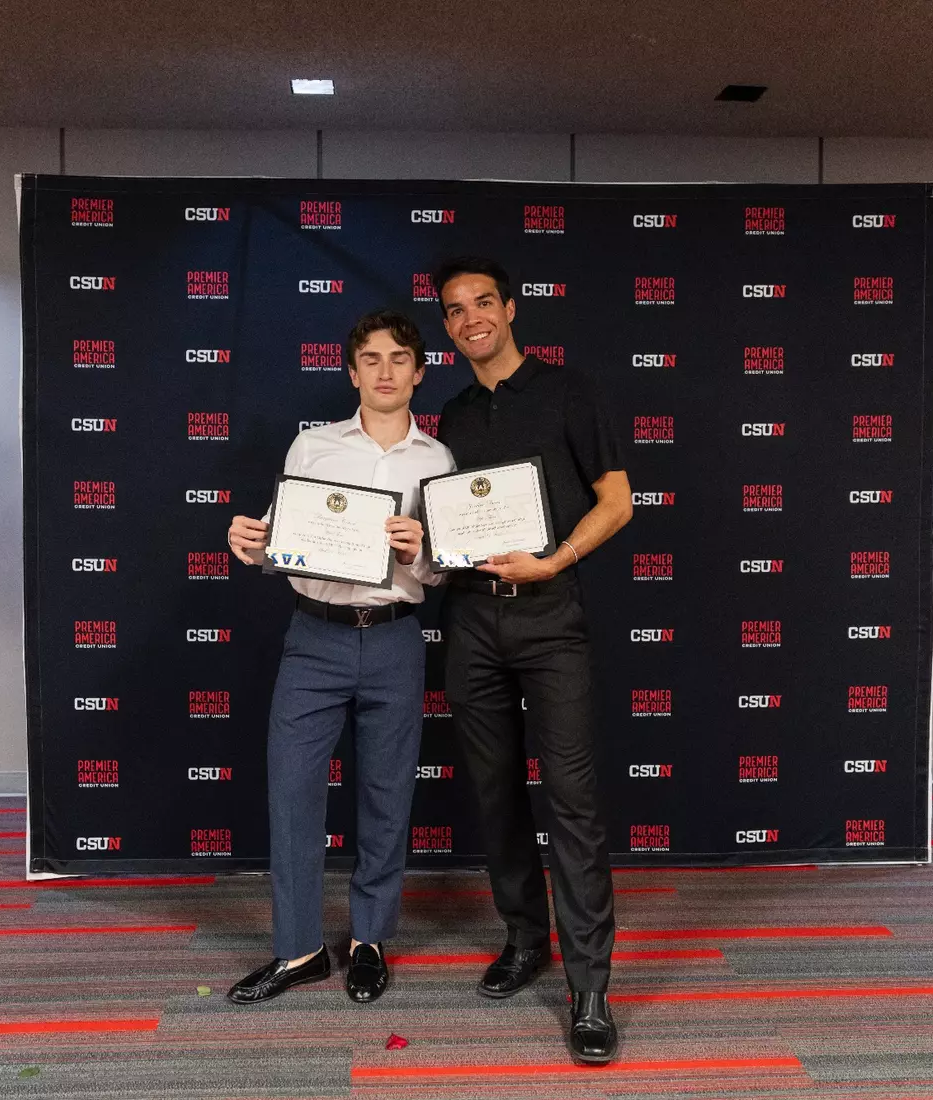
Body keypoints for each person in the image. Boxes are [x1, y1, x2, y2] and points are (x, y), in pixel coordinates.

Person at [432, 256, 633, 1064]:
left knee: (573, 802)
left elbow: (618, 501)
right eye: (455, 310)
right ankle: (525, 939)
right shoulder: (449, 415)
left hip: (550, 616)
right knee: (495, 795)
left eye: (483, 302)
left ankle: (590, 989)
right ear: (447, 327)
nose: (471, 318)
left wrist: (553, 562)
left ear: (511, 308)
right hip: (470, 619)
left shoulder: (569, 390)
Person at [225, 309, 454, 1006]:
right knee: (293, 790)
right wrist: (254, 546)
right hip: (315, 638)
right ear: (352, 372)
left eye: (399, 358)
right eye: (371, 359)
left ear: (419, 372)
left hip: (394, 637)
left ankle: (369, 940)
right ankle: (298, 950)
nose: (385, 371)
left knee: (387, 793)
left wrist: (424, 553)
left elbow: (443, 571)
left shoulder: (437, 461)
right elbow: (285, 544)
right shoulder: (313, 448)